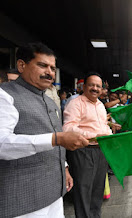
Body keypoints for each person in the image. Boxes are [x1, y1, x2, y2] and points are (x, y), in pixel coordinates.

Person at [0, 42, 89, 218]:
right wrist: (56, 139)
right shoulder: (5, 96)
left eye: (52, 68)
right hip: (23, 200)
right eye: (42, 65)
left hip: (55, 191)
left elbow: (55, 136)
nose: (49, 72)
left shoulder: (48, 100)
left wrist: (64, 168)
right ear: (22, 65)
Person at [63, 72, 113, 218]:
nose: (95, 88)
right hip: (83, 151)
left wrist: (110, 136)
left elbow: (104, 126)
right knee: (83, 191)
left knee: (98, 190)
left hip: (101, 151)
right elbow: (68, 128)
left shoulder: (100, 105)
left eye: (98, 86)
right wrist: (93, 136)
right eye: (91, 85)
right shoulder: (75, 103)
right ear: (84, 86)